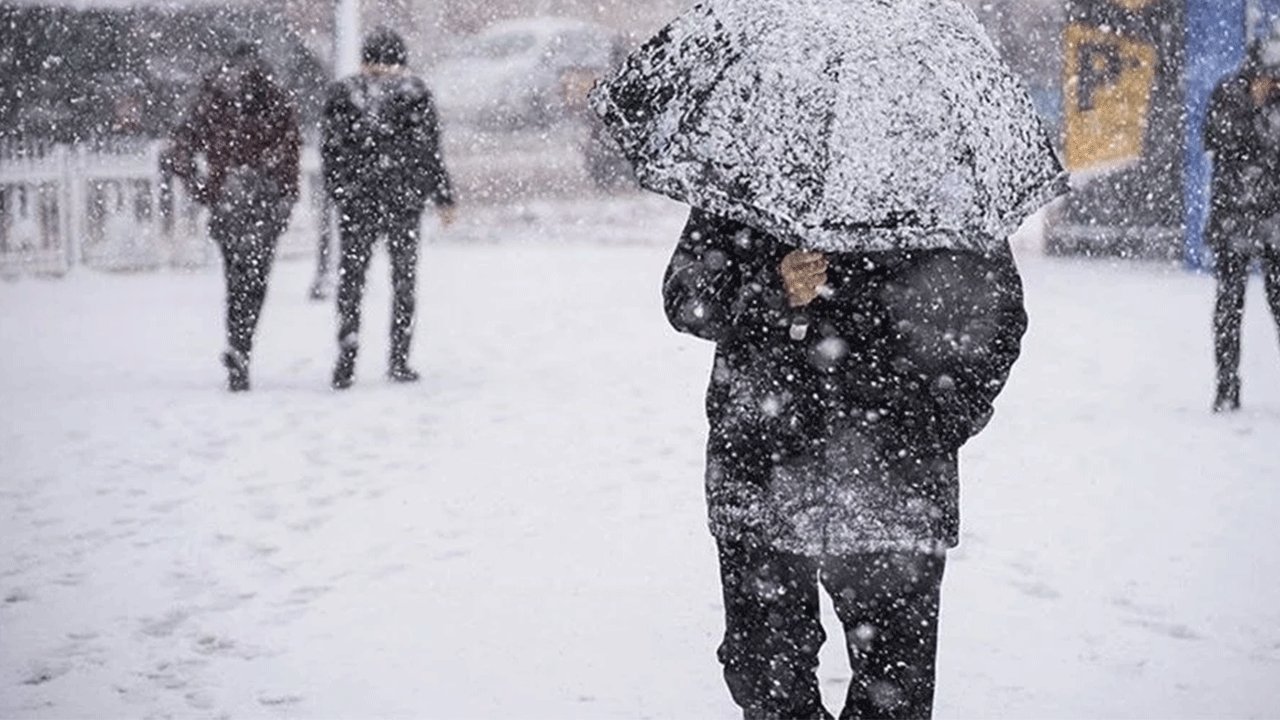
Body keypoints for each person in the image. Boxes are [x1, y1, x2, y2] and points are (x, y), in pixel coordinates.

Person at [663, 209, 1028, 719]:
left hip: (896, 483)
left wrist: (937, 420)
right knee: (768, 682)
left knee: (895, 691)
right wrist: (772, 285)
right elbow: (686, 297)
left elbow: (997, 317)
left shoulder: (937, 182)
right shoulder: (758, 166)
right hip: (764, 471)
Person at [321, 28, 456, 390]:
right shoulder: (413, 93)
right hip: (402, 202)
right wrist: (442, 195)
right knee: (404, 280)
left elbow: (331, 151)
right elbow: (429, 151)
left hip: (359, 202)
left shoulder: (343, 93)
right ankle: (399, 357)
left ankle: (348, 346)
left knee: (352, 278)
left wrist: (341, 192)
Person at [164, 40, 301, 392]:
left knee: (236, 279)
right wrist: (285, 196)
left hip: (229, 199)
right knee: (255, 281)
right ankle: (243, 345)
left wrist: (205, 188)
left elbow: (179, 151)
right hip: (264, 200)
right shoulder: (275, 99)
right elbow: (290, 155)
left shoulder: (212, 99)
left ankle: (238, 345)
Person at [1202, 39, 1280, 412]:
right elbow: (1218, 139)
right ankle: (1226, 386)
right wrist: (1253, 108)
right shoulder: (1229, 95)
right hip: (1233, 220)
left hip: (1275, 221)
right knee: (1229, 309)